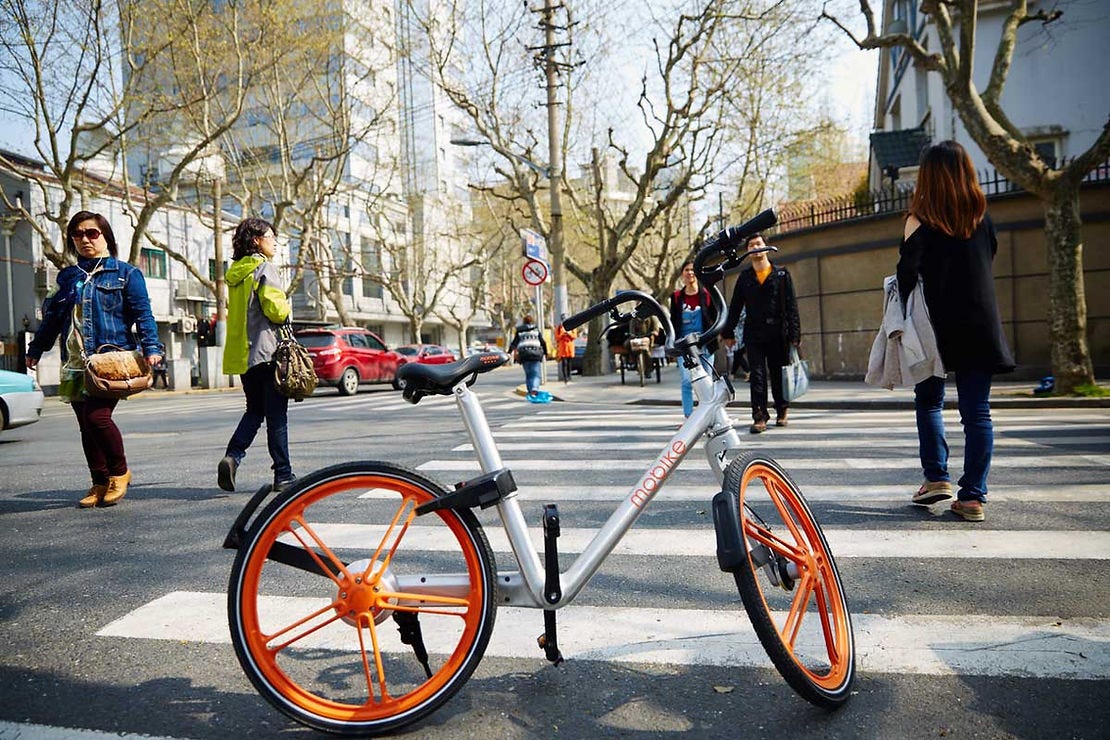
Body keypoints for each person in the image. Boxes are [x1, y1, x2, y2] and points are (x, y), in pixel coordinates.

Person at [897, 140, 1015, 522]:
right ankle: (973, 497)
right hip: (980, 324)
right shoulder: (982, 219)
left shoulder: (918, 221)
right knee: (977, 413)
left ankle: (936, 478)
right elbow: (987, 259)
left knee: (930, 401)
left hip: (934, 327)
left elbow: (906, 279)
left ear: (928, 178)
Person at [26, 211, 164, 508]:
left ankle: (119, 472)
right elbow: (53, 318)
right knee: (85, 426)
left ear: (105, 237)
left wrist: (152, 347)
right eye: (78, 234)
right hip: (75, 362)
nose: (85, 239)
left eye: (92, 233)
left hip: (108, 360)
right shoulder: (68, 277)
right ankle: (99, 482)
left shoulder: (126, 273)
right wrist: (36, 349)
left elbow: (144, 314)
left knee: (96, 418)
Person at [218, 217, 295, 493]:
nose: (274, 242)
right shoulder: (264, 268)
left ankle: (233, 456)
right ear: (256, 240)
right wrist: (287, 305)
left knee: (254, 410)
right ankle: (283, 474)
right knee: (277, 417)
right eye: (271, 237)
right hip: (268, 353)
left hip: (244, 357)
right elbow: (276, 310)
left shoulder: (236, 273)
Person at [722, 234, 800, 433]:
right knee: (757, 376)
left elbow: (791, 306)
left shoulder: (781, 274)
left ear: (766, 247)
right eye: (751, 245)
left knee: (778, 374)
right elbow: (735, 307)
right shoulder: (745, 277)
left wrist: (795, 335)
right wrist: (728, 333)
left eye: (758, 243)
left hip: (778, 333)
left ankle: (782, 409)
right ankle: (759, 416)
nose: (755, 247)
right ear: (748, 252)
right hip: (754, 333)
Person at [670, 260, 720, 417]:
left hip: (705, 344)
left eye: (693, 270)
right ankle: (689, 417)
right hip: (684, 346)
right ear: (682, 274)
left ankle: (709, 415)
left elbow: (715, 317)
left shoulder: (707, 295)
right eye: (686, 270)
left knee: (707, 381)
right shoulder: (676, 297)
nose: (690, 273)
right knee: (687, 381)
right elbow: (672, 322)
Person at [508, 314, 548, 397]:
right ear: (532, 321)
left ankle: (530, 392)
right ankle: (534, 389)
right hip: (535, 354)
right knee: (535, 374)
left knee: (529, 374)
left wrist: (509, 352)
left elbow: (514, 343)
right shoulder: (536, 330)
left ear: (524, 322)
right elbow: (543, 342)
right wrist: (545, 353)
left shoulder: (519, 331)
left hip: (524, 354)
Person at [554, 317, 577, 383]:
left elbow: (574, 336)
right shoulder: (559, 327)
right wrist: (562, 334)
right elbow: (557, 337)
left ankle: (569, 376)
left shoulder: (572, 327)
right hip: (562, 348)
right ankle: (565, 378)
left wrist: (569, 333)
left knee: (569, 363)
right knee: (564, 363)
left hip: (570, 348)